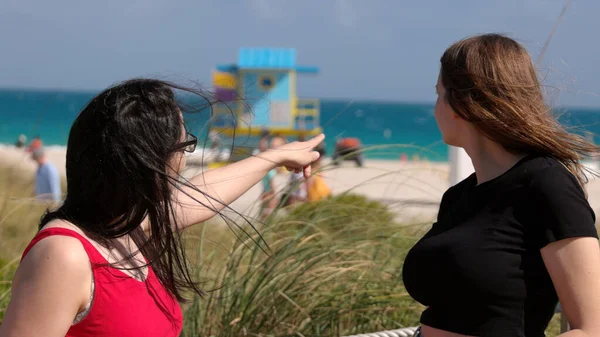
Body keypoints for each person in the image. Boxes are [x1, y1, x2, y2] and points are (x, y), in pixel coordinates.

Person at [0, 79, 324, 337]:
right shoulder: (65, 255)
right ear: (147, 161)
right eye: (184, 146)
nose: (183, 160)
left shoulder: (128, 229)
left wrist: (274, 158)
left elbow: (202, 196)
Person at [402, 34, 600, 337]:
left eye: (438, 94)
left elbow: (591, 328)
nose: (434, 108)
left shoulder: (546, 184)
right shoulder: (459, 197)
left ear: (460, 103)